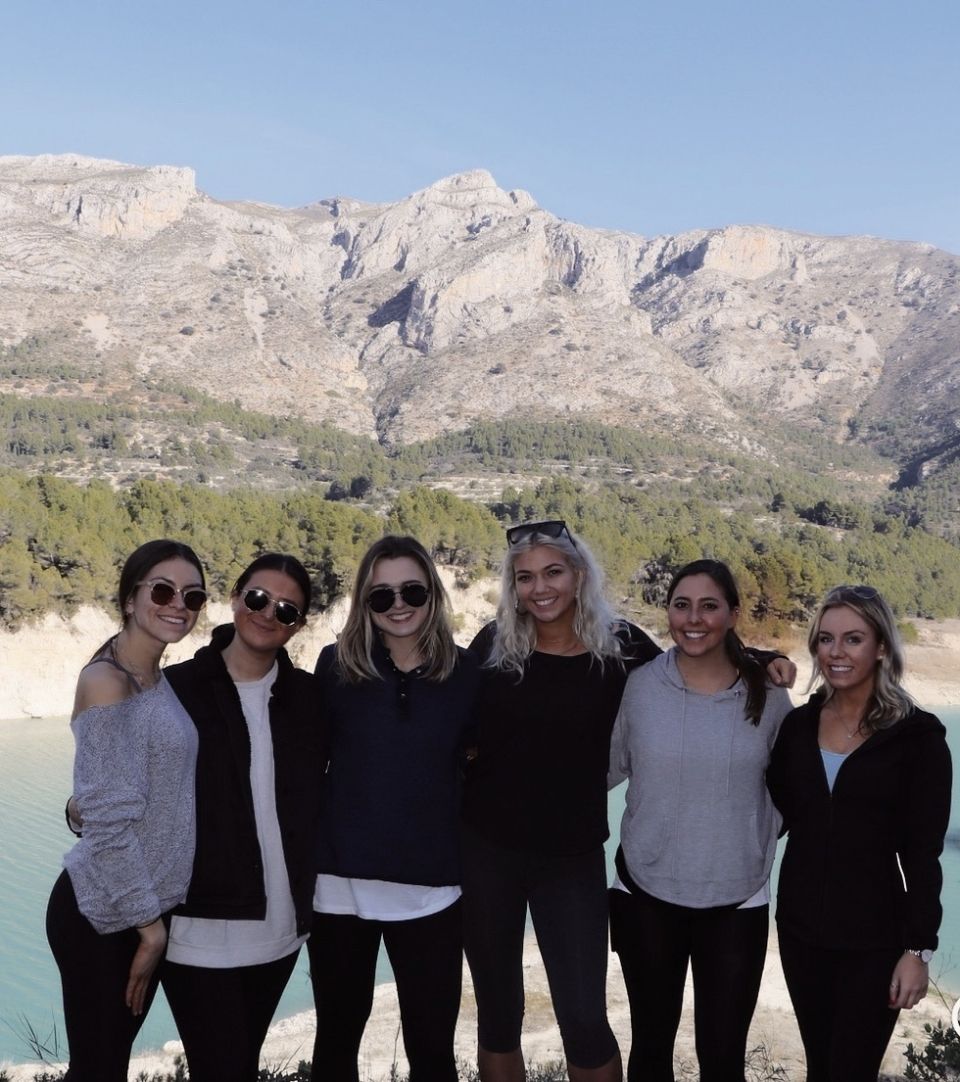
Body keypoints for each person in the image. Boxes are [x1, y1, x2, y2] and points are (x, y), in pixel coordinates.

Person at [460, 523, 795, 1082]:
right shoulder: (493, 647)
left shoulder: (621, 648)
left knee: (585, 1020)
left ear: (579, 576)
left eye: (553, 572)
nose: (540, 588)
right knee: (497, 1016)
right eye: (525, 577)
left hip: (570, 861)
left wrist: (759, 658)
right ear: (512, 587)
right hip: (486, 852)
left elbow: (692, 654)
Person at [607, 559, 793, 1082]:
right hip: (644, 897)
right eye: (681, 605)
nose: (694, 618)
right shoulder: (639, 687)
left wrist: (747, 838)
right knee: (649, 1051)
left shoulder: (771, 695)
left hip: (737, 902)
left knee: (723, 1057)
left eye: (709, 606)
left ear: (733, 614)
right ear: (667, 611)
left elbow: (795, 789)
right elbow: (600, 769)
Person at [309, 535, 480, 1082]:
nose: (398, 604)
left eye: (411, 590)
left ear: (432, 593)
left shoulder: (468, 674)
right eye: (381, 596)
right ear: (365, 603)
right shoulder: (335, 667)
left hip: (430, 888)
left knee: (432, 1052)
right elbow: (303, 763)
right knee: (336, 1043)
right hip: (339, 887)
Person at [767, 585, 952, 1082]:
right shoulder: (798, 728)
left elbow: (923, 855)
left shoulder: (919, 739)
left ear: (881, 648)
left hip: (876, 939)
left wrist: (918, 951)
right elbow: (777, 814)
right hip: (800, 930)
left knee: (851, 1071)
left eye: (853, 639)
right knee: (819, 1067)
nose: (836, 652)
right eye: (825, 639)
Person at [46, 539, 207, 1082]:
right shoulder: (106, 681)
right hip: (105, 915)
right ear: (130, 598)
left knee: (103, 1065)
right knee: (99, 1070)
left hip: (136, 909)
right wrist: (151, 929)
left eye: (193, 595)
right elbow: (110, 829)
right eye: (163, 590)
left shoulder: (155, 677)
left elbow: (102, 798)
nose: (178, 604)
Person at [161, 553, 322, 1082]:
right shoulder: (174, 691)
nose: (268, 613)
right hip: (194, 933)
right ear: (235, 600)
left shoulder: (308, 699)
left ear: (299, 625)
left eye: (287, 609)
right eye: (257, 598)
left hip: (280, 932)